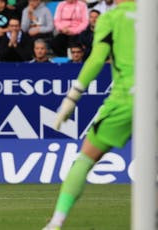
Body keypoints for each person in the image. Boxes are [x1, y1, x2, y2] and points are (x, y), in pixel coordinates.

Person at [43, 1, 135, 229]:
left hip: (126, 99)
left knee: (84, 159)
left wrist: (72, 97)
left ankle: (56, 222)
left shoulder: (112, 18)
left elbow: (96, 60)